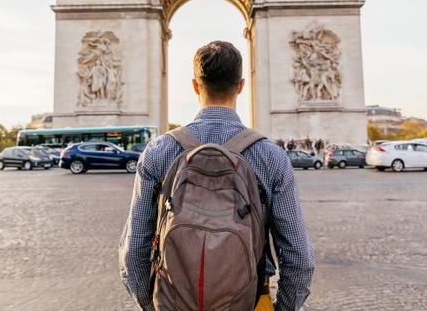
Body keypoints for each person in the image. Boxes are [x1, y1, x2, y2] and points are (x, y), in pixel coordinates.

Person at [119, 41, 315, 310]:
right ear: (241, 85)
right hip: (252, 301)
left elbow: (133, 253)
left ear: (195, 86)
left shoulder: (158, 152)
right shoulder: (271, 157)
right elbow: (299, 258)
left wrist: (151, 304)